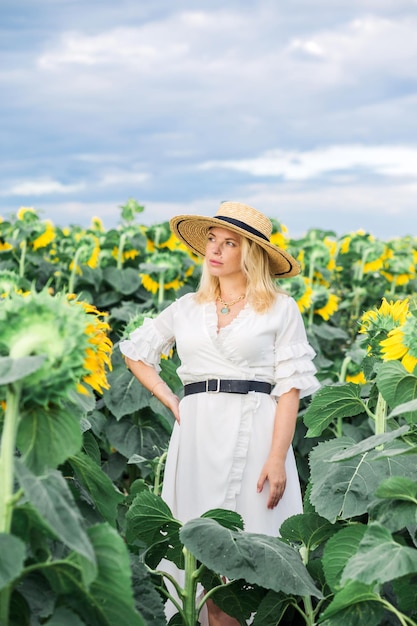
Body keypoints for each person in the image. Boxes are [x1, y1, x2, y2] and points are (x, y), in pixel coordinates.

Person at [119, 201, 320, 626]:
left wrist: (276, 457)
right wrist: (171, 399)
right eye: (212, 240)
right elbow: (135, 353)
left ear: (250, 254)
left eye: (230, 243)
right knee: (196, 549)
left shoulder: (280, 308)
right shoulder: (187, 307)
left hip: (257, 432)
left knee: (246, 554)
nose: (216, 250)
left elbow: (290, 389)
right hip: (196, 434)